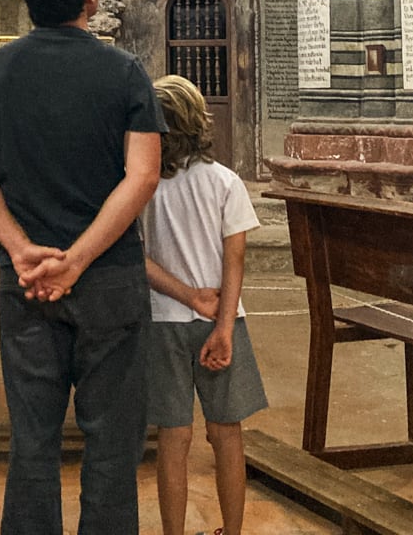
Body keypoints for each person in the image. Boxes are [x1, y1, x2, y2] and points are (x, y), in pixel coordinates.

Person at [0, 0, 165, 535]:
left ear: (26, 2)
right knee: (112, 446)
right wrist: (76, 260)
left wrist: (22, 249)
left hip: (25, 284)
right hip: (110, 281)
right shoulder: (124, 71)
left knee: (32, 441)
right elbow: (143, 175)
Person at [142, 76, 268, 535]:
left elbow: (138, 260)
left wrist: (184, 295)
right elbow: (234, 261)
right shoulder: (225, 182)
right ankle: (231, 531)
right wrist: (224, 325)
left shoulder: (143, 185)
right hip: (221, 321)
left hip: (162, 320)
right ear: (199, 121)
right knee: (226, 434)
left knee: (173, 439)